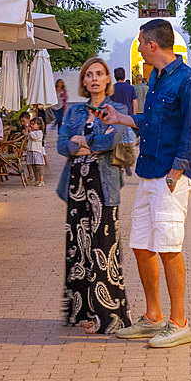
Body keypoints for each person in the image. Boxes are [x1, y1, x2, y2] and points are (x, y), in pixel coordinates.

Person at [102, 19, 191, 349]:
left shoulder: (190, 81)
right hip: (149, 173)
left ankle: (179, 322)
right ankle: (153, 316)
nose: (140, 48)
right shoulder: (155, 77)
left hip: (170, 177)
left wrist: (177, 173)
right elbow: (152, 121)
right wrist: (121, 119)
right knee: (141, 244)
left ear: (152, 45)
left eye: (141, 42)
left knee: (169, 247)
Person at [57, 56, 132, 335]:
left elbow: (111, 141)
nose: (95, 79)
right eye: (89, 75)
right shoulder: (75, 112)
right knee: (80, 248)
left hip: (104, 185)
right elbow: (62, 145)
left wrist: (82, 141)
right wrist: (86, 145)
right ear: (84, 81)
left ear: (108, 79)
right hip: (77, 186)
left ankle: (110, 316)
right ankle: (85, 313)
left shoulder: (118, 108)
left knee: (104, 247)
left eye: (100, 74)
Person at [25, 118, 45, 186]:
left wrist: (30, 132)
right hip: (31, 150)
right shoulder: (32, 132)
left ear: (39, 125)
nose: (32, 125)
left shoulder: (39, 132)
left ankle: (41, 180)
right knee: (33, 166)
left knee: (38, 166)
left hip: (37, 151)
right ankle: (36, 180)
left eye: (34, 124)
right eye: (31, 124)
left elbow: (35, 138)